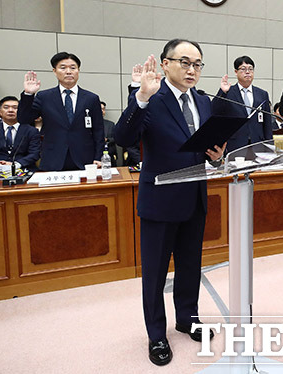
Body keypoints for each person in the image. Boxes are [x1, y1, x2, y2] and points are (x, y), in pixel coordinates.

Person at [114, 39, 224, 367]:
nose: (192, 70)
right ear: (165, 64)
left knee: (191, 266)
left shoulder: (204, 102)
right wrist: (142, 97)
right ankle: (156, 334)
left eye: (198, 64)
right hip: (160, 199)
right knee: (156, 272)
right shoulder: (152, 99)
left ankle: (188, 318)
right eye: (185, 62)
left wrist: (216, 158)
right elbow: (122, 138)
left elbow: (204, 148)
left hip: (194, 196)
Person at [18, 52, 104, 171]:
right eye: (63, 68)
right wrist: (28, 94)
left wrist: (98, 157)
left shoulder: (91, 98)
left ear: (78, 70)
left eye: (73, 68)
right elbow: (24, 119)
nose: (68, 71)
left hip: (85, 159)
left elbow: (99, 131)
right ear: (54, 71)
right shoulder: (44, 97)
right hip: (53, 159)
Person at [212, 55, 272, 153]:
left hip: (258, 144)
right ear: (236, 72)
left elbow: (267, 123)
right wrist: (222, 92)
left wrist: (269, 146)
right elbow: (215, 111)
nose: (247, 72)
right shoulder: (228, 92)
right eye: (243, 69)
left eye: (250, 69)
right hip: (235, 144)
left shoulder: (262, 94)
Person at [0, 96, 40, 170]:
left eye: (15, 108)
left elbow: (34, 153)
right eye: (6, 107)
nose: (10, 110)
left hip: (24, 169)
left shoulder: (31, 131)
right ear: (0, 111)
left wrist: (16, 164)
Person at [100, 101, 118, 165]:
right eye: (100, 109)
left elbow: (116, 138)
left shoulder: (110, 124)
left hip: (109, 154)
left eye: (103, 109)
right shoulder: (89, 125)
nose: (102, 111)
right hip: (94, 155)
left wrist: (107, 140)